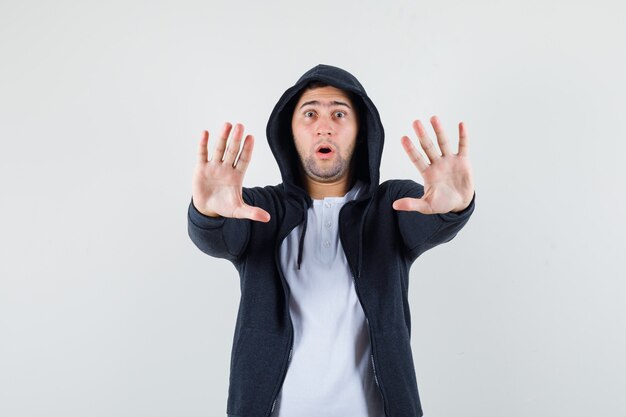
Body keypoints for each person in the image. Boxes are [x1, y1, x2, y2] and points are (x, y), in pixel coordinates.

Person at [187, 64, 475, 417]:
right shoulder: (261, 210)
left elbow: (433, 221)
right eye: (310, 114)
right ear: (290, 133)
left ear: (360, 131)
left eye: (340, 113)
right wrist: (208, 214)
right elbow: (215, 238)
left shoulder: (391, 206)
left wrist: (453, 207)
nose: (324, 126)